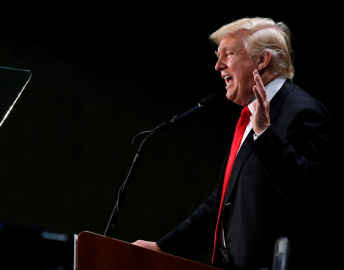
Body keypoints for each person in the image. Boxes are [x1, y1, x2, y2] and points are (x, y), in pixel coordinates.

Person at [132, 17, 336, 270]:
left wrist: (264, 135)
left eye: (228, 54)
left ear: (262, 61)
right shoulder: (253, 115)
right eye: (218, 56)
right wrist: (164, 248)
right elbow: (224, 203)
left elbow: (313, 192)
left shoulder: (302, 111)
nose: (218, 66)